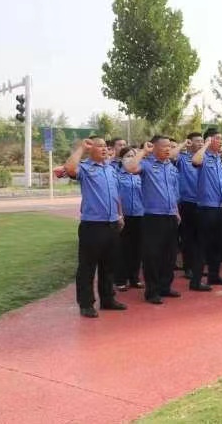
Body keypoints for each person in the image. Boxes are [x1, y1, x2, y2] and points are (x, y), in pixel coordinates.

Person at [64, 137, 126, 318]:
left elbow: (116, 194)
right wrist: (81, 148)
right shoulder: (85, 167)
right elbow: (69, 168)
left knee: (109, 265)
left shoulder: (111, 169)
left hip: (112, 223)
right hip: (93, 225)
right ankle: (86, 303)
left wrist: (120, 214)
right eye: (100, 146)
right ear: (91, 149)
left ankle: (107, 299)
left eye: (106, 146)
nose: (105, 149)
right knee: (87, 267)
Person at [123, 135, 183, 304]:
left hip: (170, 215)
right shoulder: (147, 164)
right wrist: (144, 151)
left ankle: (165, 286)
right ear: (154, 148)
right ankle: (152, 291)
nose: (168, 149)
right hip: (153, 217)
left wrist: (176, 211)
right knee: (153, 256)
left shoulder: (171, 167)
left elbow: (172, 191)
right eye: (164, 146)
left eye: (170, 146)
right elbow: (130, 168)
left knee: (170, 255)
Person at [191, 128, 222, 290]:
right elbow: (195, 161)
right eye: (217, 138)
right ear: (209, 140)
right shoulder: (203, 156)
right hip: (206, 207)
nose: (221, 141)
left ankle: (214, 275)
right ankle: (196, 281)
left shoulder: (218, 159)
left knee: (217, 244)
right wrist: (205, 145)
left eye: (220, 138)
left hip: (219, 207)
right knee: (202, 245)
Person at [115, 146, 144, 291]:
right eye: (128, 156)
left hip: (139, 214)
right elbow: (115, 196)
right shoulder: (116, 175)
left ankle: (134, 278)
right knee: (122, 248)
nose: (131, 158)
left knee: (137, 248)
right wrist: (119, 214)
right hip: (123, 215)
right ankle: (120, 279)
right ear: (121, 159)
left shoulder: (139, 174)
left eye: (133, 155)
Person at [176, 132, 204, 278]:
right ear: (189, 142)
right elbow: (171, 156)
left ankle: (198, 267)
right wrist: (182, 144)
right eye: (197, 141)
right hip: (187, 201)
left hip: (203, 202)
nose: (200, 143)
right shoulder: (182, 158)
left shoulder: (205, 159)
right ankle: (188, 268)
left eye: (202, 141)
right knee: (188, 237)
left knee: (201, 237)